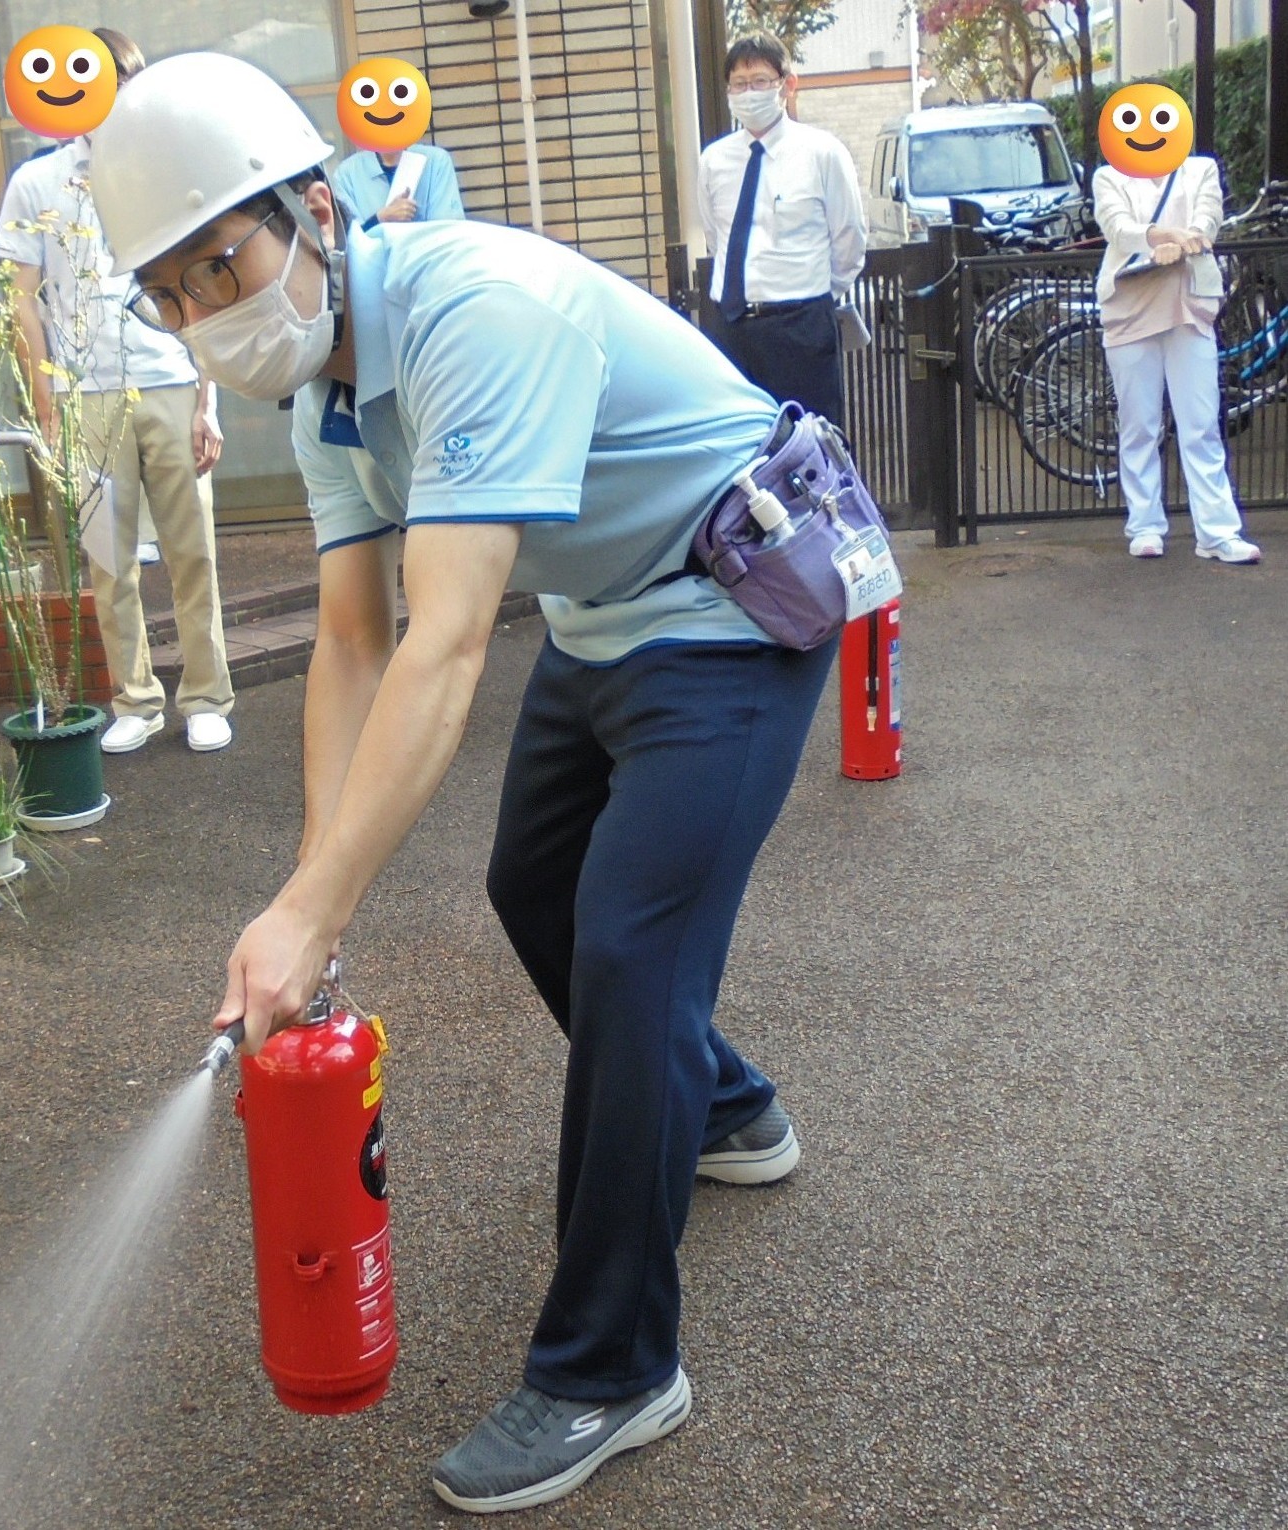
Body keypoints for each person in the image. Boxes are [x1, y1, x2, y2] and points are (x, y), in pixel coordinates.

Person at [91, 54, 840, 1515]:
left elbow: (442, 642)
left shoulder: (471, 311)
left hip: (728, 601)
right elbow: (354, 639)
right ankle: (728, 1109)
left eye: (218, 265)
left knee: (630, 945)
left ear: (316, 209)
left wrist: (314, 911)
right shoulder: (323, 391)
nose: (204, 317)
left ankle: (613, 1366)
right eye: (168, 295)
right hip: (605, 612)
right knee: (531, 884)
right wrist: (313, 895)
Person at [0, 26, 236, 754]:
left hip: (167, 378)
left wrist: (207, 400)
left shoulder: (167, 175)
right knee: (109, 556)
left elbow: (206, 289)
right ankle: (134, 698)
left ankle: (206, 696)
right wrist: (45, 399)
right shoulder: (36, 181)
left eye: (122, 80)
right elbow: (21, 299)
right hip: (85, 393)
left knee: (193, 550)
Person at [1093, 155, 1262, 563]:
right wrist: (1160, 238)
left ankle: (1218, 533)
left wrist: (1189, 239)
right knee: (1139, 426)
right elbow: (1117, 227)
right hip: (1130, 307)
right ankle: (1145, 526)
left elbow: (1209, 214)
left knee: (1201, 424)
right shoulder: (1109, 175)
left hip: (1189, 306)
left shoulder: (1198, 168)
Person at [696, 31, 866, 429]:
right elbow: (717, 238)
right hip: (731, 327)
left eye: (759, 81)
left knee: (811, 447)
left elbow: (849, 240)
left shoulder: (823, 152)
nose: (748, 92)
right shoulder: (713, 160)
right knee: (739, 448)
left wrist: (814, 298)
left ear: (787, 85)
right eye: (739, 84)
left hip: (801, 328)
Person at [332, 139, 465, 231]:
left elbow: (449, 231)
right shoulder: (346, 174)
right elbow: (347, 245)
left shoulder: (437, 161)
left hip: (430, 268)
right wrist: (380, 218)